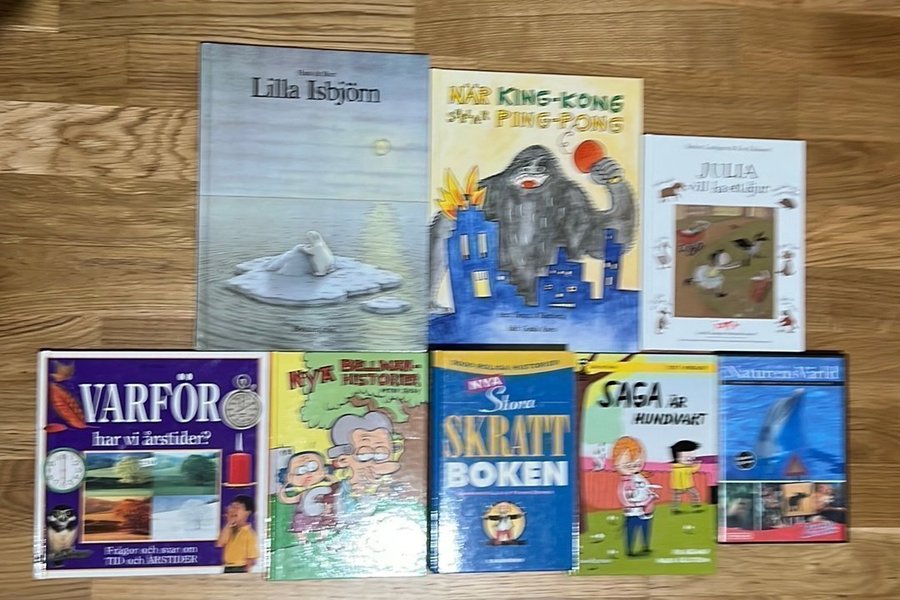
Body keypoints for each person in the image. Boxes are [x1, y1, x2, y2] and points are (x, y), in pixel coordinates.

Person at [612, 436, 659, 556]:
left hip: (645, 512)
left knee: (645, 529)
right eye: (628, 465)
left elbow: (645, 488)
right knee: (631, 531)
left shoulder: (640, 477)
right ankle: (630, 550)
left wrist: (650, 496)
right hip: (633, 512)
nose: (633, 468)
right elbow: (623, 496)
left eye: (637, 464)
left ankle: (645, 546)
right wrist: (633, 504)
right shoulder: (625, 482)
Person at [216, 495, 258, 573]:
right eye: (232, 507)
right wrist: (229, 523)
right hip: (227, 567)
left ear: (247, 513)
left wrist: (246, 572)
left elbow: (251, 557)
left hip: (240, 567)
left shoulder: (249, 533)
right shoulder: (229, 529)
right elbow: (220, 543)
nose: (233, 510)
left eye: (237, 508)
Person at [670, 440, 702, 513]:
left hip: (681, 486)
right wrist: (698, 465)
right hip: (684, 486)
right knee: (692, 494)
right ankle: (694, 504)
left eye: (692, 458)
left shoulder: (675, 467)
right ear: (677, 458)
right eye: (687, 458)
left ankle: (675, 508)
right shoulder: (683, 468)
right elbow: (693, 470)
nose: (691, 459)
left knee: (677, 498)